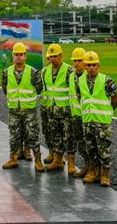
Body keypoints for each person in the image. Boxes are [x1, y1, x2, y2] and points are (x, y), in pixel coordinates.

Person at [77, 51, 117, 187]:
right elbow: (80, 97)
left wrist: (108, 112)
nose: (91, 68)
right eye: (88, 65)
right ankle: (93, 172)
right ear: (85, 66)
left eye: (94, 65)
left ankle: (105, 175)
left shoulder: (107, 81)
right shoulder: (81, 80)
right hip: (87, 121)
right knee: (91, 149)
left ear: (98, 66)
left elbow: (116, 99)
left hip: (102, 122)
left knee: (104, 149)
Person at [0, 43, 45, 172]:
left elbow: (39, 88)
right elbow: (5, 89)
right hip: (14, 110)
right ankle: (13, 158)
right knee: (14, 136)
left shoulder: (33, 72)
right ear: (13, 56)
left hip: (29, 111)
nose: (19, 57)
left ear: (25, 56)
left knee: (33, 136)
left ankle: (38, 161)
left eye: (21, 54)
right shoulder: (6, 72)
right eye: (16, 54)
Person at [42, 43, 75, 172]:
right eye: (50, 57)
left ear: (61, 55)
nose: (53, 59)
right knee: (55, 136)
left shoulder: (69, 71)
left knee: (68, 137)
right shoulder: (45, 71)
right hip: (51, 111)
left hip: (66, 112)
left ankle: (71, 163)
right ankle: (57, 160)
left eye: (55, 56)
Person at [68, 48, 90, 178]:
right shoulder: (71, 76)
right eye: (75, 61)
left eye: (80, 60)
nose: (77, 63)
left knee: (92, 145)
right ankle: (87, 166)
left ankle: (95, 170)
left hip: (89, 117)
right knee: (81, 144)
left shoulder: (90, 77)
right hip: (76, 116)